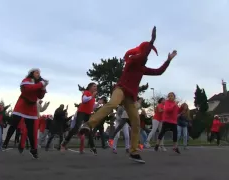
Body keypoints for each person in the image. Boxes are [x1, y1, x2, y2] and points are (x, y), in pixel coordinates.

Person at [79, 26, 178, 163]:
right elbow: (143, 56)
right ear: (142, 53)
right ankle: (88, 125)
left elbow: (159, 71)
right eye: (145, 56)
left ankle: (133, 151)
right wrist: (152, 41)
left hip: (130, 97)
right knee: (112, 103)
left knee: (136, 122)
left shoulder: (142, 68)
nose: (146, 59)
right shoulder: (131, 62)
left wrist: (168, 60)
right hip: (120, 89)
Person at [4, 68, 48, 159]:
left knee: (31, 132)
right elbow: (28, 89)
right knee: (14, 124)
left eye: (39, 73)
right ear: (32, 73)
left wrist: (43, 88)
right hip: (22, 105)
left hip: (31, 108)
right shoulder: (26, 81)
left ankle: (33, 150)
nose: (38, 74)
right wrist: (41, 84)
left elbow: (40, 96)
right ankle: (6, 142)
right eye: (36, 73)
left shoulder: (38, 84)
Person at [61, 83, 97, 155]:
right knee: (76, 127)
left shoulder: (93, 97)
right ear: (90, 87)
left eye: (96, 87)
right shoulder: (87, 93)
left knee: (89, 130)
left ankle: (92, 147)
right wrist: (91, 96)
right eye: (94, 86)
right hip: (81, 112)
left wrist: (97, 104)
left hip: (88, 113)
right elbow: (84, 100)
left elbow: (92, 107)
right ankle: (65, 142)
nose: (96, 88)